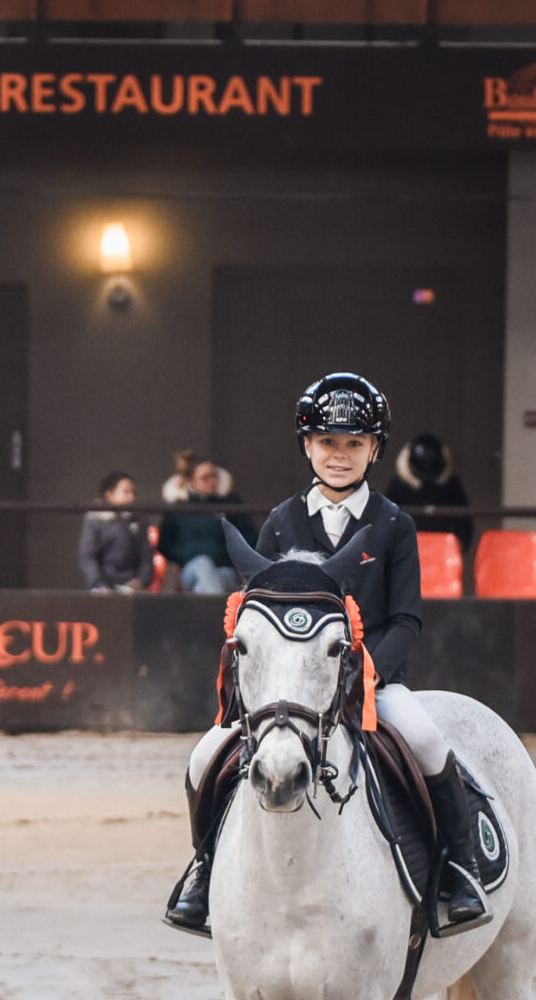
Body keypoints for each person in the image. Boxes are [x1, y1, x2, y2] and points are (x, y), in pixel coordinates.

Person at [163, 372, 489, 939]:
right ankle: (204, 868)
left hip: (375, 685)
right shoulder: (281, 522)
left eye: (354, 445)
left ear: (375, 450)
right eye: (328, 443)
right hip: (291, 689)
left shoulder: (394, 525)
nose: (340, 456)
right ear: (307, 445)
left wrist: (368, 670)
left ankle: (460, 870)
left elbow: (408, 618)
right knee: (204, 757)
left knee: (430, 741)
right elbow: (255, 614)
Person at [156, 452, 251, 594]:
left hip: (225, 569)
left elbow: (249, 536)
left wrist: (229, 556)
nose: (211, 481)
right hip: (191, 570)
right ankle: (219, 613)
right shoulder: (178, 507)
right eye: (205, 478)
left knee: (203, 587)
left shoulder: (230, 503)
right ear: (190, 481)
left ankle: (209, 613)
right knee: (203, 564)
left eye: (214, 476)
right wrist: (186, 555)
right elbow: (164, 544)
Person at [380, 432, 474, 552]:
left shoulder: (452, 485)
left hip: (442, 552)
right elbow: (386, 524)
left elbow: (465, 525)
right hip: (406, 553)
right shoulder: (398, 485)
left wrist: (458, 545)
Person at [79, 471, 154, 592]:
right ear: (109, 495)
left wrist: (141, 580)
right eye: (126, 492)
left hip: (131, 584)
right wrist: (99, 584)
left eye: (133, 492)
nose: (131, 497)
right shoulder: (95, 519)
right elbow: (88, 557)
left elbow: (146, 555)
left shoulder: (139, 520)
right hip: (104, 585)